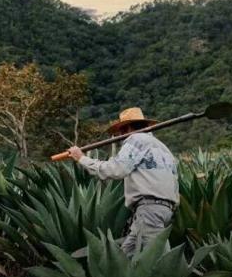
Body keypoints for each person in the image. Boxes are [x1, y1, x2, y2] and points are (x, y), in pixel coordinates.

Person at [67, 107, 179, 257]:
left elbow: (116, 170)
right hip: (165, 209)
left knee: (157, 261)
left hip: (149, 209)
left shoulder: (135, 140)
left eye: (120, 131)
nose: (119, 136)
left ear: (126, 129)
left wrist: (82, 158)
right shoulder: (163, 148)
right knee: (123, 260)